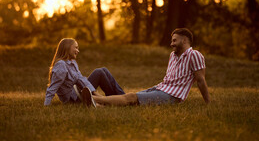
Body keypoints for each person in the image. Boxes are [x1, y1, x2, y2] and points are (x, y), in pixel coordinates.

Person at [81, 28, 210, 107]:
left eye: (174, 40)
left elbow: (201, 80)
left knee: (130, 98)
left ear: (185, 40)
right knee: (131, 101)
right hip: (161, 88)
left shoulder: (195, 55)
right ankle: (98, 106)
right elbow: (169, 79)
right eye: (172, 41)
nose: (171, 44)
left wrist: (208, 103)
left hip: (172, 97)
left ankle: (91, 99)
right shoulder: (173, 55)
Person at [44, 38, 125, 106]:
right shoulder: (61, 65)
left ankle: (120, 97)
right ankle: (118, 99)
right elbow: (53, 87)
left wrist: (95, 93)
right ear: (67, 47)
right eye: (75, 48)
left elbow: (81, 79)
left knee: (104, 70)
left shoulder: (72, 62)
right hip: (74, 99)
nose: (78, 51)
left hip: (80, 92)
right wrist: (46, 105)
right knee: (99, 72)